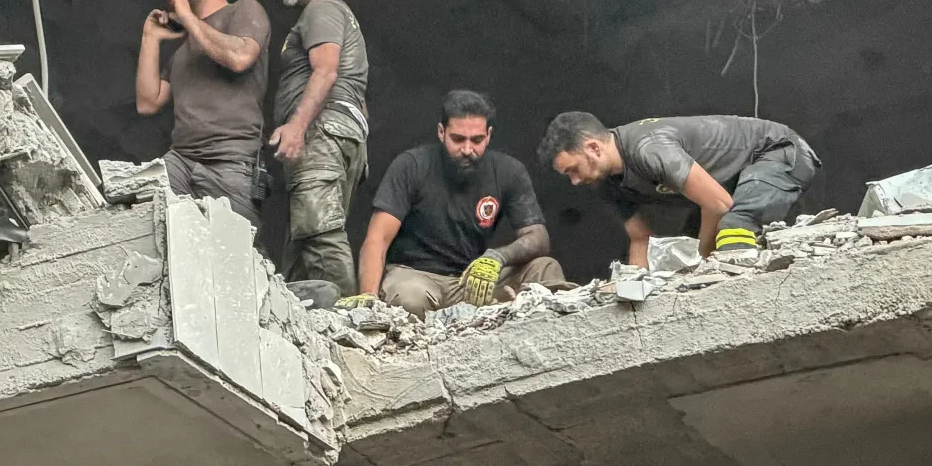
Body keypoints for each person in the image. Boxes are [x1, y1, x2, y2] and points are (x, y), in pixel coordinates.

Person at [346, 90, 564, 315]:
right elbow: (378, 239)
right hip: (416, 276)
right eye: (458, 139)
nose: (467, 150)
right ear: (441, 132)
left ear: (489, 135)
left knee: (545, 268)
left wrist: (498, 257)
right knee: (409, 298)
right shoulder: (411, 166)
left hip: (475, 280)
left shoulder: (509, 171)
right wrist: (368, 297)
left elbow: (538, 236)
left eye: (477, 140)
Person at [539, 111, 819, 266]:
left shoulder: (648, 148)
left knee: (733, 227)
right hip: (731, 188)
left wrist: (704, 258)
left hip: (777, 153)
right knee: (689, 251)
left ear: (593, 148)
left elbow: (718, 204)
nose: (574, 181)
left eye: (573, 169)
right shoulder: (607, 183)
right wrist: (635, 287)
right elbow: (640, 239)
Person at [268, 0, 370, 303]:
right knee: (303, 242)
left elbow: (325, 71)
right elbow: (358, 96)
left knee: (318, 231)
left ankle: (345, 319)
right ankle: (300, 319)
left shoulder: (322, 9)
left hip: (321, 131)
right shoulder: (341, 16)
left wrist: (297, 127)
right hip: (340, 131)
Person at [134, 0, 271, 221]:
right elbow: (148, 102)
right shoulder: (183, 52)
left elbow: (240, 57)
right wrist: (150, 38)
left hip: (230, 163)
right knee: (144, 220)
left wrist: (186, 15)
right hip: (180, 161)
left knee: (228, 245)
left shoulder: (244, 9)